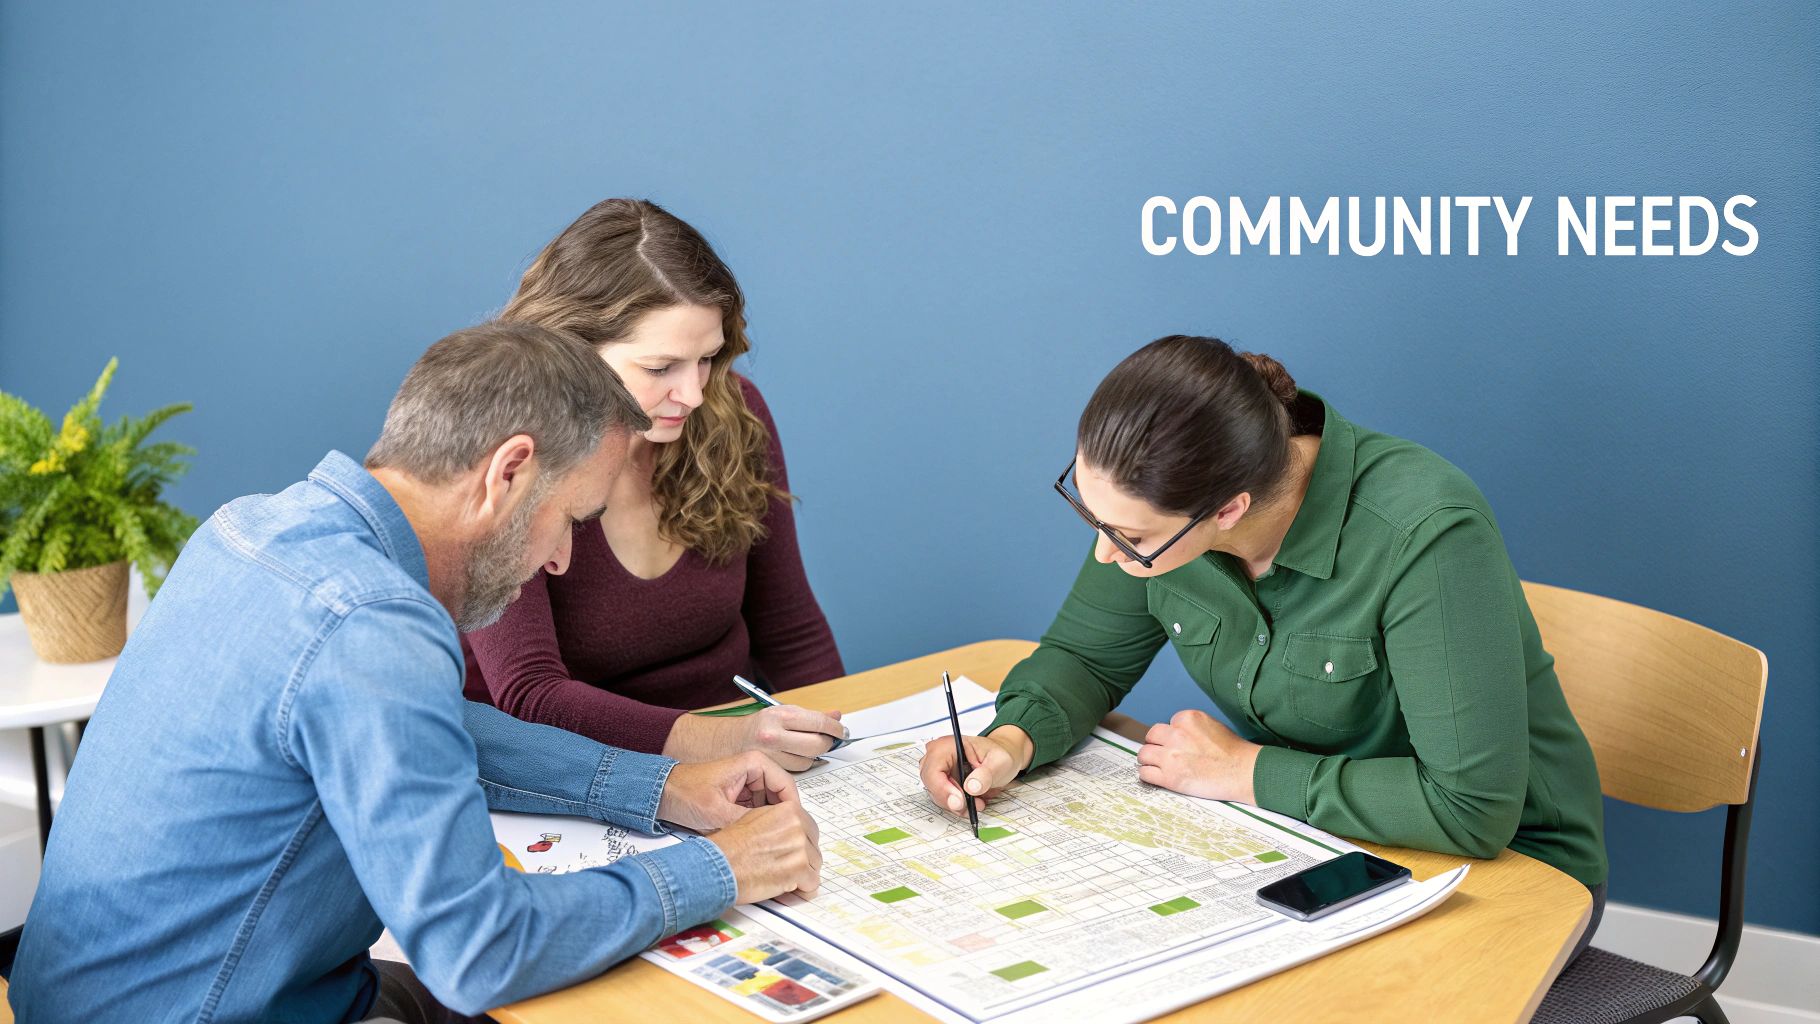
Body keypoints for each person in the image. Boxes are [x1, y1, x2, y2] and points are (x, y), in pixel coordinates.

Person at [10, 322, 822, 1024]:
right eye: (572, 519)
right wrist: (723, 869)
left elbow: (433, 727)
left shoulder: (255, 531)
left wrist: (662, 785)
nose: (561, 559)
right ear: (508, 473)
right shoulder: (373, 623)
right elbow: (481, 949)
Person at [919, 334, 1609, 956]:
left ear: (1228, 509)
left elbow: (1471, 807)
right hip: (1307, 842)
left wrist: (1245, 771)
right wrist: (1010, 742)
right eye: (1091, 514)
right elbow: (1085, 657)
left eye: (1128, 536)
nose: (1106, 553)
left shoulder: (1424, 531)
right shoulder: (1160, 503)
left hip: (1508, 874)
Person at [464, 199, 846, 770]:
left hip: (738, 755)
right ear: (569, 351)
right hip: (569, 774)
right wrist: (720, 741)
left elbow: (790, 631)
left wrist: (846, 745)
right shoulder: (505, 458)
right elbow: (531, 694)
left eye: (707, 359)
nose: (693, 394)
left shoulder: (733, 413)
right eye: (660, 368)